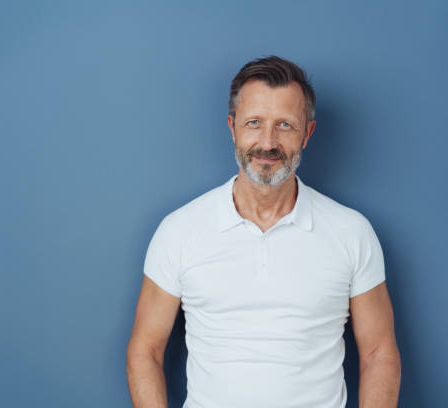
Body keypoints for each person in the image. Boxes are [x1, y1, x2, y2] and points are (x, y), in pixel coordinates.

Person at [126, 56, 401, 408]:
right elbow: (145, 349)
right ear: (233, 127)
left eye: (285, 125)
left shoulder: (352, 232)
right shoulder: (179, 231)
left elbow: (379, 352)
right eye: (254, 123)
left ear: (307, 133)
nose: (267, 142)